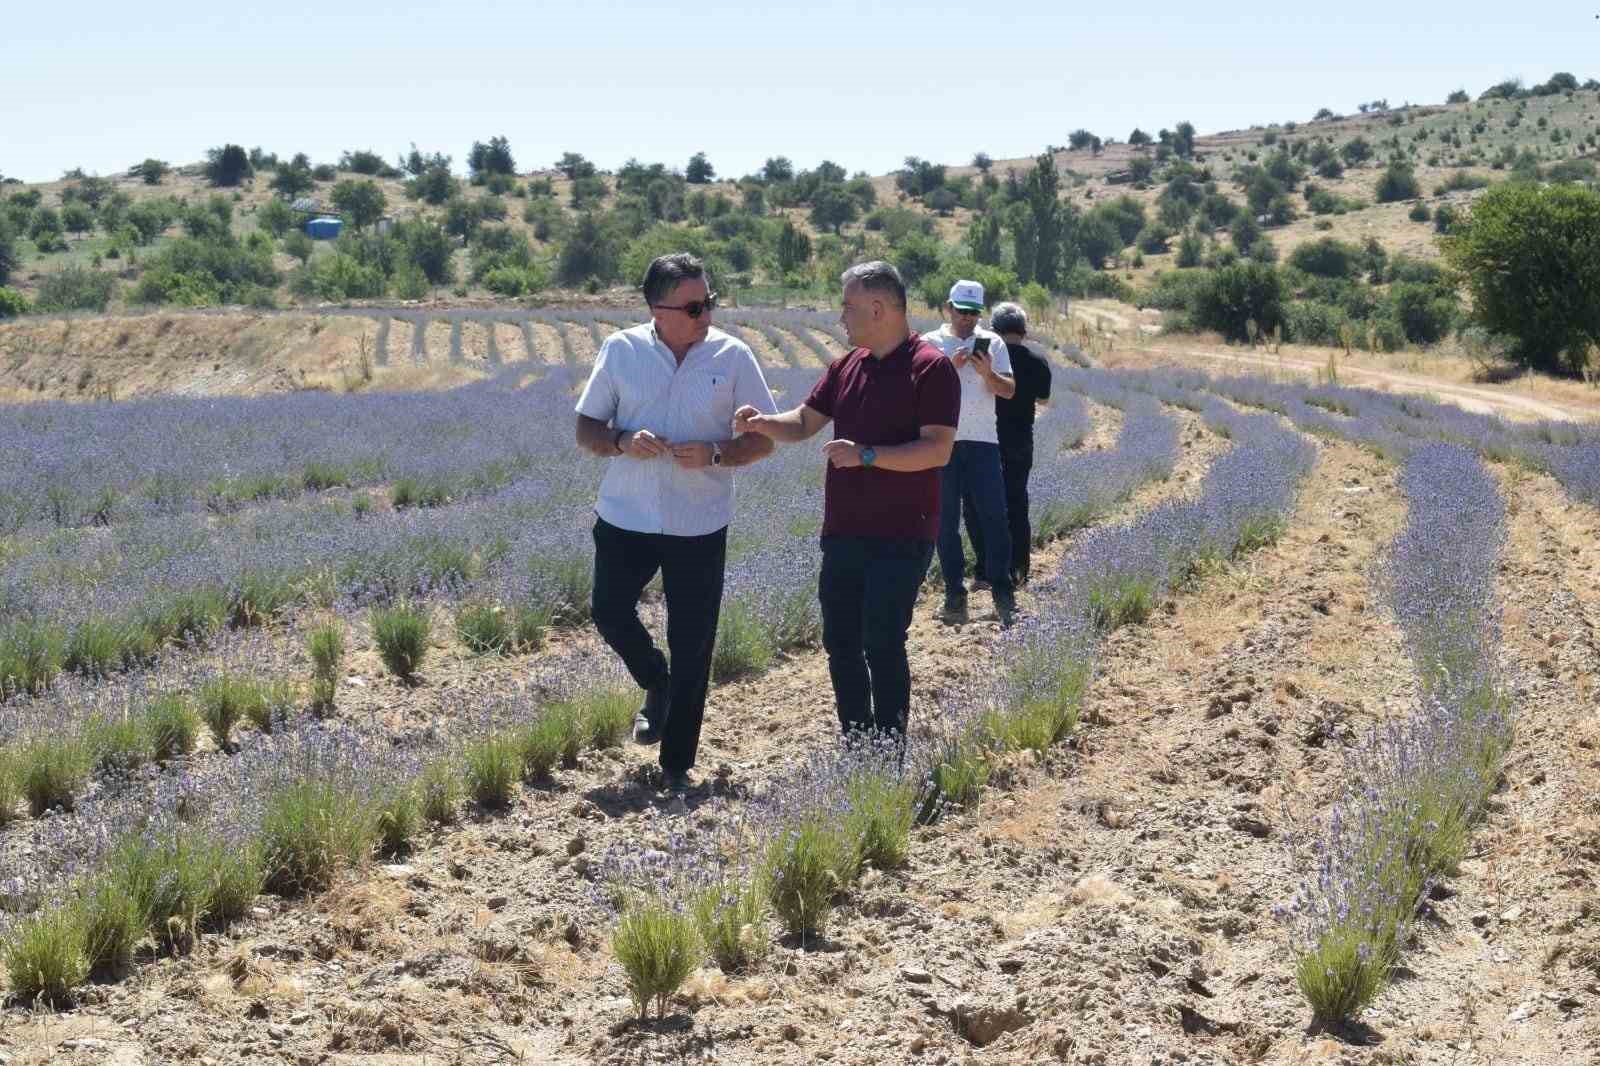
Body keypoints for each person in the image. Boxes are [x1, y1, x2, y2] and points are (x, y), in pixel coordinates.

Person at [573, 253, 777, 793]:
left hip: (699, 522)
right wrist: (620, 441)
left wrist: (716, 453)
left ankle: (676, 765)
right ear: (657, 309)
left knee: (694, 643)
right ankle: (656, 684)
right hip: (626, 513)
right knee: (609, 612)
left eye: (709, 302)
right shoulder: (622, 350)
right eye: (694, 305)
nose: (706, 313)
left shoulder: (733, 357)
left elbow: (764, 438)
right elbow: (586, 427)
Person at [735, 261, 958, 741]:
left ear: (877, 308)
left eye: (848, 307)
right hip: (844, 531)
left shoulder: (930, 367)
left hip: (902, 532)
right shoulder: (846, 366)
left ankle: (890, 747)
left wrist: (867, 457)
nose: (841, 318)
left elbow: (937, 448)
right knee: (841, 642)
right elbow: (801, 423)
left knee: (882, 641)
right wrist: (760, 422)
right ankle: (857, 742)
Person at [921, 280, 1018, 626]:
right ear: (948, 307)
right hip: (941, 442)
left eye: (974, 313)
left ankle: (1003, 593)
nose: (967, 319)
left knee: (995, 517)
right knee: (945, 523)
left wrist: (987, 372)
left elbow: (1008, 392)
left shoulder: (993, 343)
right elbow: (914, 392)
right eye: (961, 311)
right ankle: (954, 596)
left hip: (983, 442)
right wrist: (949, 366)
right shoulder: (929, 343)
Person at [963, 301, 1052, 588]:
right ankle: (1019, 571)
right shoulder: (1037, 361)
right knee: (1015, 503)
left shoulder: (983, 356)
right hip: (1020, 441)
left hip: (982, 438)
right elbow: (1044, 399)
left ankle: (985, 569)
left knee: (977, 505)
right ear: (1024, 331)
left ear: (994, 329)